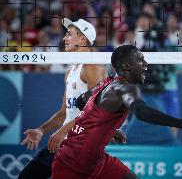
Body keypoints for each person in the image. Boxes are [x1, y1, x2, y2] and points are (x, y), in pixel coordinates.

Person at [50, 45, 182, 179]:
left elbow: (81, 101)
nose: (146, 64)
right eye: (140, 60)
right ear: (126, 66)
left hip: (93, 158)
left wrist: (108, 128)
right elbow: (142, 113)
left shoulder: (106, 82)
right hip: (74, 163)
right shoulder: (126, 88)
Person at [19, 18, 125, 179]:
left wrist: (62, 131)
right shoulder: (71, 71)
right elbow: (64, 112)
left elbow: (95, 113)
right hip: (65, 143)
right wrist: (41, 130)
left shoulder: (93, 67)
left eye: (69, 34)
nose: (64, 38)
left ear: (82, 39)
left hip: (80, 146)